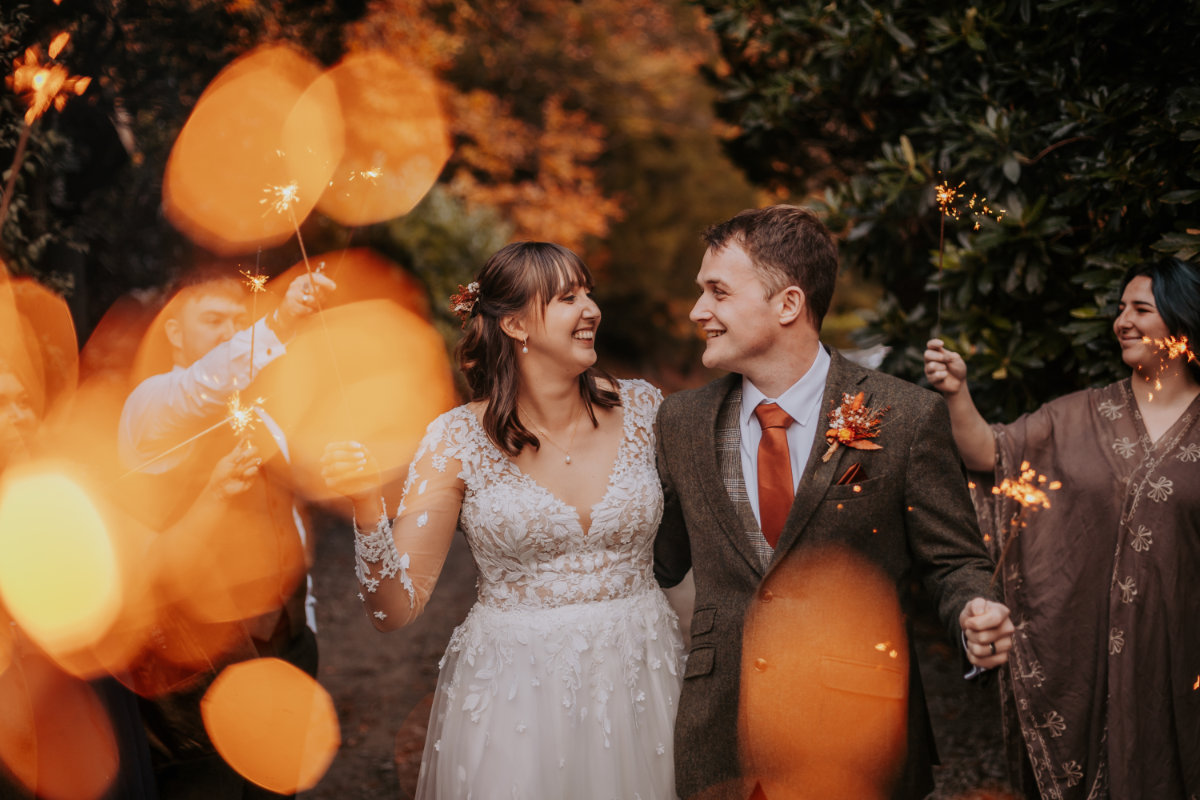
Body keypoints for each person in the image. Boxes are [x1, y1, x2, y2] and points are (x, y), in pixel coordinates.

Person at [653, 204, 1013, 800]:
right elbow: (656, 561)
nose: (699, 311)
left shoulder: (906, 415)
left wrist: (974, 612)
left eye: (717, 291)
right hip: (719, 737)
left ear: (788, 304)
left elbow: (952, 563)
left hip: (857, 736)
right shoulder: (681, 422)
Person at [322, 241, 683, 799]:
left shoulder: (645, 411)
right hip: (519, 697)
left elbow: (684, 558)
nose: (591, 309)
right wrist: (367, 506)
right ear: (515, 324)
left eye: (588, 292)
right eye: (568, 297)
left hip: (646, 676)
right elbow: (392, 611)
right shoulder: (456, 441)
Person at [923, 257, 1200, 799]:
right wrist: (957, 393)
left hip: (1181, 655)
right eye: (1120, 309)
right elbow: (990, 453)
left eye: (1141, 309)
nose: (1122, 321)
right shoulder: (1079, 414)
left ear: (1182, 321)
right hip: (1080, 652)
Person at [117, 264, 334, 798]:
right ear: (173, 331)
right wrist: (281, 322)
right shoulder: (153, 405)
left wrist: (303, 627)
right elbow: (201, 389)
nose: (230, 331)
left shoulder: (264, 419)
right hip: (195, 673)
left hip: (283, 650)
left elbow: (290, 527)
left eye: (240, 319)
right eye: (213, 319)